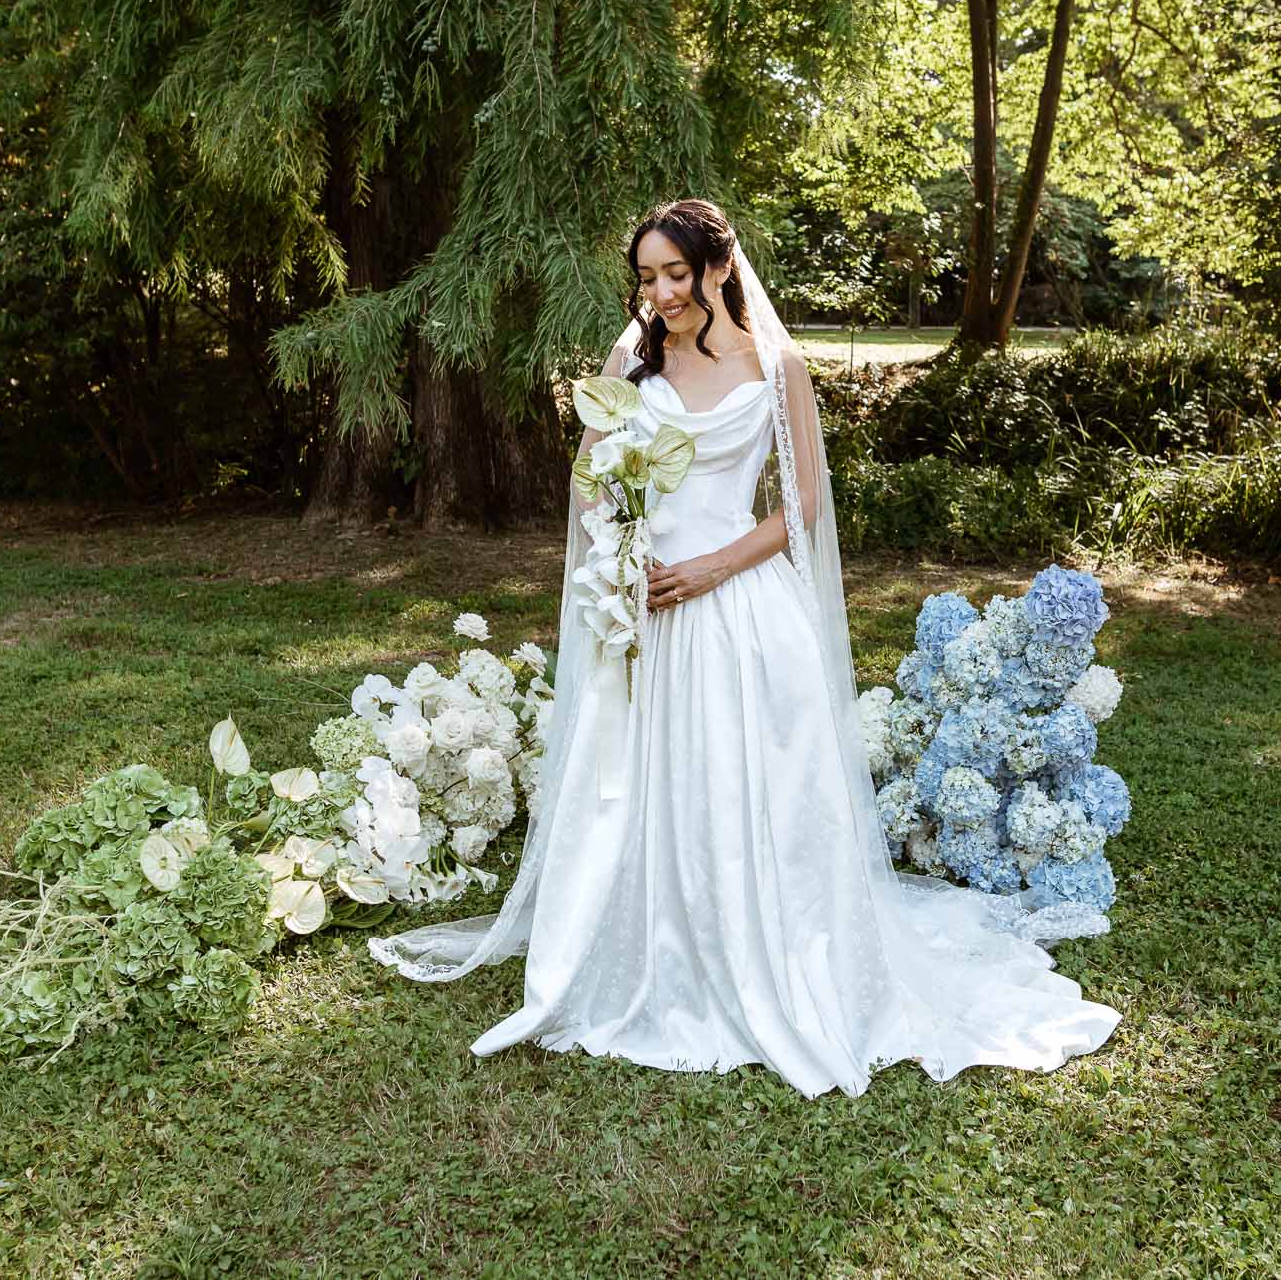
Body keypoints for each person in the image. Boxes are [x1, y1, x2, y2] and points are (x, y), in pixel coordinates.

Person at [368, 198, 1121, 1098]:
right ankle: (652, 934)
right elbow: (586, 481)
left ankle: (758, 939)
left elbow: (800, 505)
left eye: (676, 275)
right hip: (644, 602)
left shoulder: (778, 365)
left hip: (736, 600)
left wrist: (712, 568)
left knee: (746, 774)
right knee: (645, 773)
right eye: (647, 277)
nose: (662, 293)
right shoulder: (629, 359)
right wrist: (623, 546)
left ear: (719, 270)